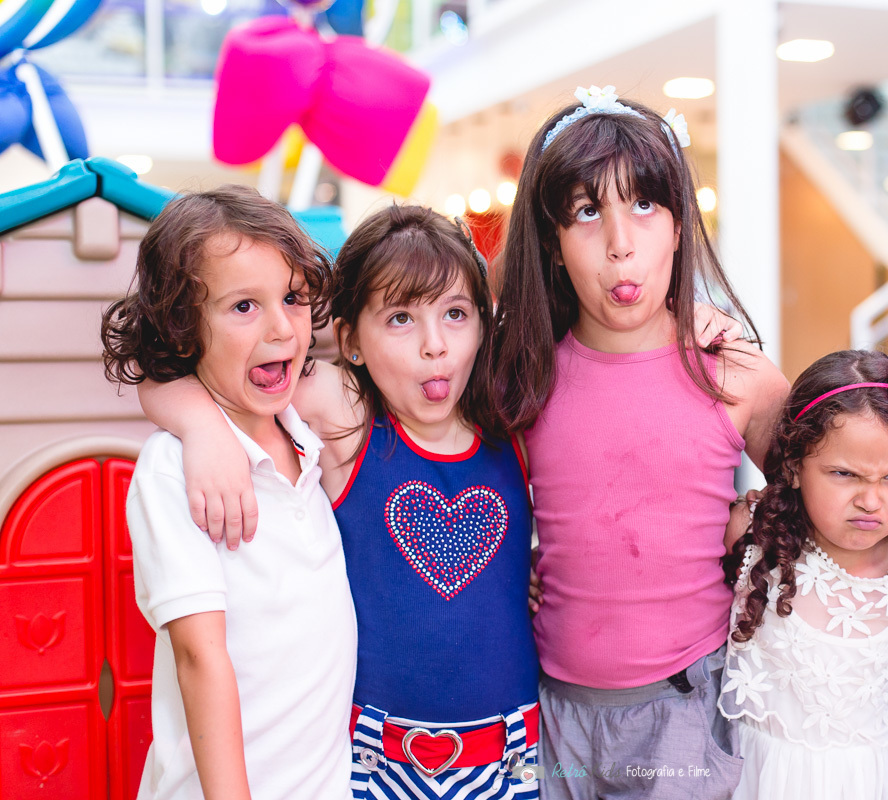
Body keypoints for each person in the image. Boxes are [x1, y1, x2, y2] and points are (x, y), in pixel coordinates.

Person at [139, 204, 546, 800]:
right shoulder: (348, 416)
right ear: (351, 342)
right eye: (402, 318)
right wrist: (200, 426)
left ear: (484, 326)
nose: (435, 346)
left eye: (456, 314)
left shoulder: (514, 428)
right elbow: (193, 378)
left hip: (512, 753)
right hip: (377, 760)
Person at [489, 84, 791, 800]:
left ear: (682, 224)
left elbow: (830, 481)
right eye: (588, 213)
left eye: (644, 206)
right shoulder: (523, 374)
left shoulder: (732, 369)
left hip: (686, 705)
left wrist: (757, 518)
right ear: (554, 245)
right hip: (554, 711)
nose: (621, 243)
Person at [100, 186, 357, 800]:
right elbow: (199, 658)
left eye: (293, 298)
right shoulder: (175, 468)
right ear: (184, 329)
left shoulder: (307, 430)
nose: (280, 327)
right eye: (244, 305)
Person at [719, 350, 888, 800]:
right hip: (756, 777)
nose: (871, 500)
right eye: (844, 473)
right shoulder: (753, 533)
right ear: (796, 466)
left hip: (868, 781)